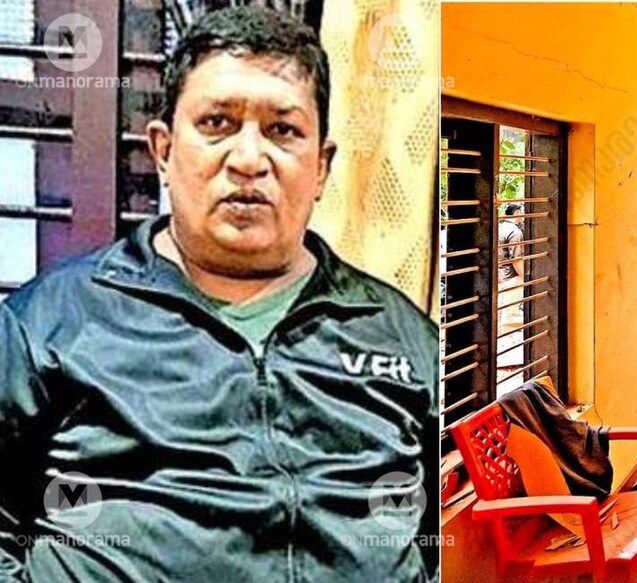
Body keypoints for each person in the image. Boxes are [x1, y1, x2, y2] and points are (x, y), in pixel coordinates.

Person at [0, 6, 437, 582]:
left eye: (283, 130)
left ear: (322, 167)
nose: (249, 160)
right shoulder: (48, 325)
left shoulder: (401, 334)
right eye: (217, 124)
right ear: (162, 150)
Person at [497, 203, 525, 331]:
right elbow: (516, 259)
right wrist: (525, 277)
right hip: (511, 277)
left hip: (499, 275)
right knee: (510, 316)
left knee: (500, 314)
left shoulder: (499, 227)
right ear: (518, 213)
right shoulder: (515, 232)